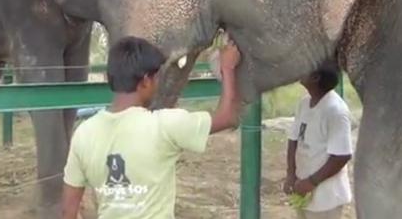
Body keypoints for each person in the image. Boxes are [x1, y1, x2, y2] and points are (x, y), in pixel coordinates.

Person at [62, 36, 242, 219]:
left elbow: (68, 211)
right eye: (157, 78)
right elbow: (229, 117)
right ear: (146, 81)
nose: (157, 85)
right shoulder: (164, 126)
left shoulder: (84, 134)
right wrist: (227, 68)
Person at [284, 69, 353, 219]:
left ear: (315, 77)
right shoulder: (304, 103)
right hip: (303, 187)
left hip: (326, 196)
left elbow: (342, 156)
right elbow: (294, 139)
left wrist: (311, 182)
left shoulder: (336, 111)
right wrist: (291, 174)